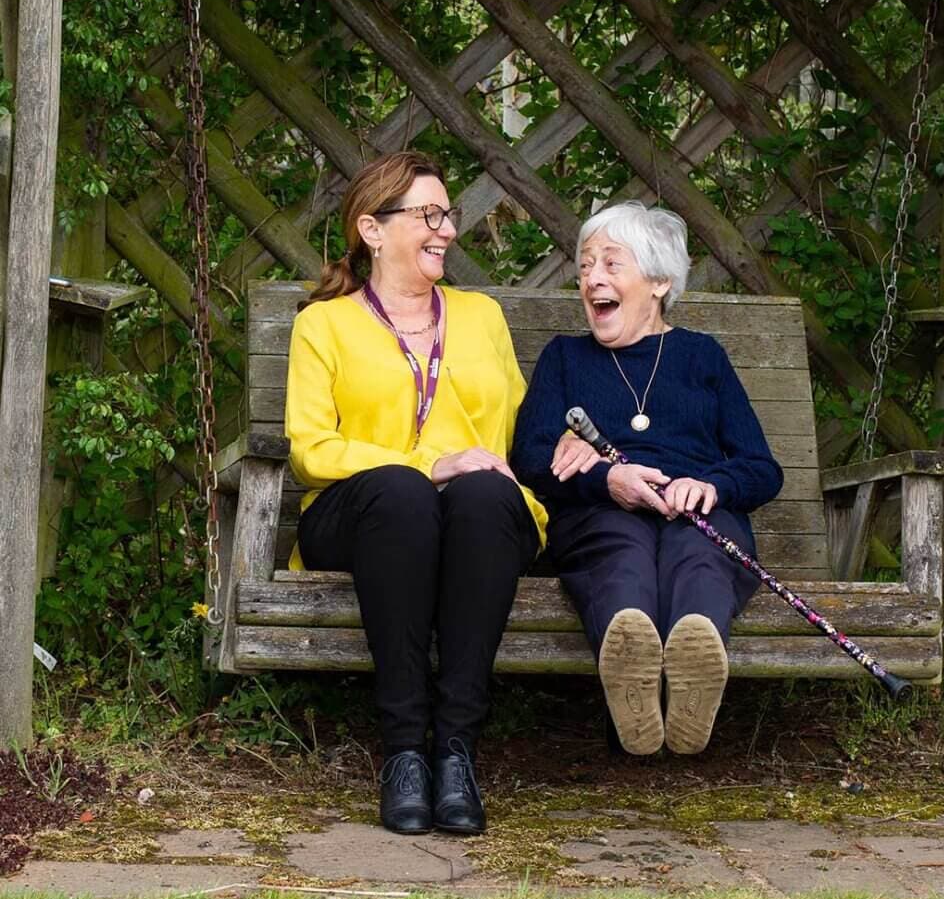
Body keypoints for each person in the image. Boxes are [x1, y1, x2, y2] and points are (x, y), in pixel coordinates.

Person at [285, 152, 546, 835]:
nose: (447, 230)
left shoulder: (482, 314)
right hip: (364, 515)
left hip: (474, 519)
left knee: (485, 496)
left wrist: (572, 447)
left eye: (447, 214)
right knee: (403, 493)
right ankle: (404, 752)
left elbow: (524, 424)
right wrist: (426, 465)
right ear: (372, 229)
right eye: (428, 214)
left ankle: (456, 752)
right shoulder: (325, 324)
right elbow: (311, 450)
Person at [510, 201, 782, 756]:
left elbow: (760, 466)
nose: (592, 279)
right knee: (620, 551)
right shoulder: (564, 358)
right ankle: (630, 676)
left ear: (658, 281)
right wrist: (605, 480)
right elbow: (530, 457)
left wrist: (711, 487)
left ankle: (692, 671)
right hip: (599, 511)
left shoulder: (701, 356)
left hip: (697, 512)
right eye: (585, 266)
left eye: (611, 263)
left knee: (698, 553)